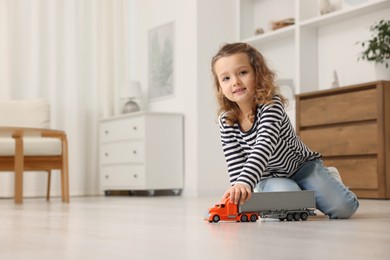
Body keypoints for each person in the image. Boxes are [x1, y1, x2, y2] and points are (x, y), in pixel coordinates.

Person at [211, 42, 359, 219]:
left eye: (243, 72)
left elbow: (264, 145)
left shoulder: (271, 105)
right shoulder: (226, 121)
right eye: (226, 78)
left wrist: (245, 181)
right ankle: (303, 196)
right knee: (287, 208)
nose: (235, 82)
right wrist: (239, 188)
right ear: (220, 87)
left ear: (258, 74)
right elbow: (235, 161)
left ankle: (327, 178)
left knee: (343, 209)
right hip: (269, 176)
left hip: (302, 167)